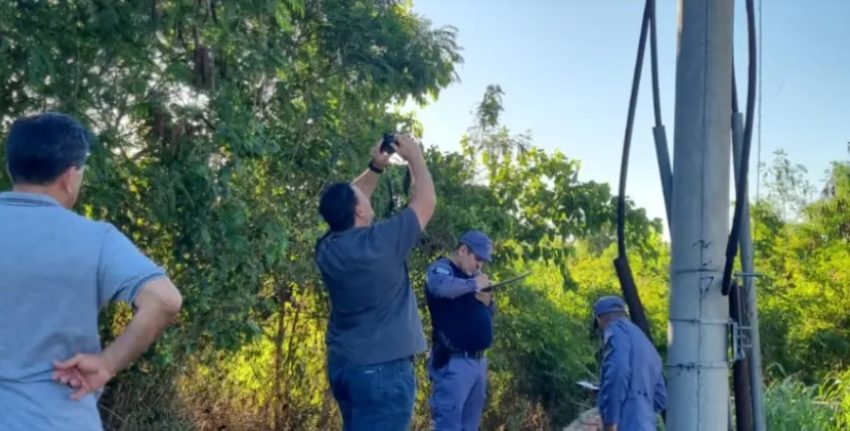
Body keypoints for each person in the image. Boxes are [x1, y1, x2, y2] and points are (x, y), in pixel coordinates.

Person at [0, 112, 183, 430]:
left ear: (10, 168)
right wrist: (108, 363)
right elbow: (164, 300)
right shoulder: (97, 240)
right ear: (70, 177)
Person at [314, 134, 436, 431]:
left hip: (345, 366)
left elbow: (349, 197)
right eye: (363, 199)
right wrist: (416, 157)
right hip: (383, 372)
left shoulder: (326, 249)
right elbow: (426, 201)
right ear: (359, 211)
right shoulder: (382, 242)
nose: (366, 197)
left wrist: (377, 166)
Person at [425, 231, 496, 431]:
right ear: (463, 250)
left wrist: (489, 302)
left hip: (478, 362)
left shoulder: (472, 277)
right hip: (454, 362)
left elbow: (488, 312)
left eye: (483, 261)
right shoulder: (442, 269)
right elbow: (442, 288)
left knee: (470, 426)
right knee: (448, 425)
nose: (479, 265)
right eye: (477, 258)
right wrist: (474, 284)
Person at [593, 296, 666, 431]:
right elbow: (660, 397)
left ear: (599, 319)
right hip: (647, 424)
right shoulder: (643, 339)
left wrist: (610, 421)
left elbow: (618, 372)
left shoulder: (614, 331)